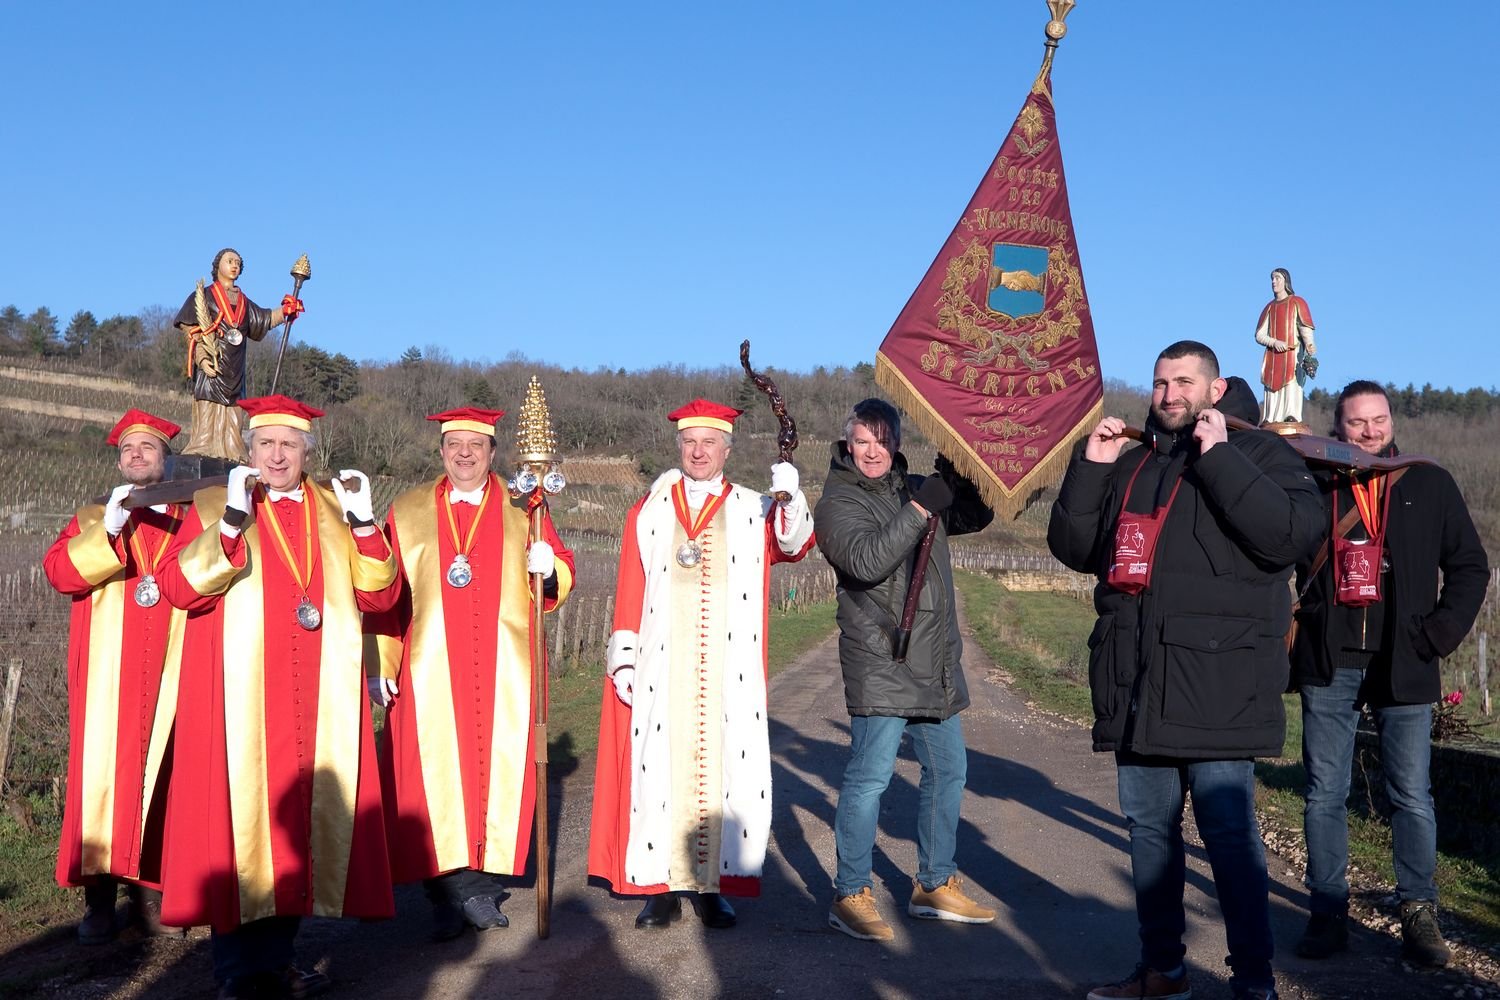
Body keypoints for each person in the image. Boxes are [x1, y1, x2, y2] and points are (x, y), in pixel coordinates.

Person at [1047, 341, 1323, 1000]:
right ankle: (1162, 971)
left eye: (1183, 382)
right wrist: (1091, 467)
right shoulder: (1134, 461)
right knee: (1149, 835)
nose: (1168, 394)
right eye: (1159, 382)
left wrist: (1219, 456)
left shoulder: (1261, 453)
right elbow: (1077, 548)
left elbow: (1289, 537)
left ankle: (1254, 982)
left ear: (1216, 388)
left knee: (1228, 839)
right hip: (1136, 680)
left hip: (1218, 687)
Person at [153, 395, 399, 1000]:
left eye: (289, 444)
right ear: (249, 449)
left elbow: (381, 598)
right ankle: (237, 972)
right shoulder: (215, 504)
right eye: (266, 444)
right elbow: (178, 589)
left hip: (316, 698)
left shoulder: (334, 510)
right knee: (237, 834)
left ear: (307, 450)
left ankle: (279, 962)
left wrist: (366, 526)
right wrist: (232, 525)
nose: (277, 455)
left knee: (297, 840)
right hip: (240, 700)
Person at [588, 399, 815, 930]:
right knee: (658, 770)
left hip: (728, 666)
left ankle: (712, 886)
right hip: (661, 666)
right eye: (690, 442)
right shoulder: (648, 510)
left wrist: (791, 493)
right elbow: (630, 584)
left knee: (725, 773)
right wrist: (623, 659)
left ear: (727, 449)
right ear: (679, 448)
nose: (698, 451)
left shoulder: (752, 506)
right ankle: (662, 888)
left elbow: (794, 543)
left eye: (709, 442)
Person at [1290, 381, 1487, 968]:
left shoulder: (1428, 481)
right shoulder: (1316, 482)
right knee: (1324, 792)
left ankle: (1418, 912)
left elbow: (1470, 567)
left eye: (1378, 420)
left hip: (1406, 663)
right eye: (1357, 423)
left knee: (1412, 795)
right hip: (1332, 661)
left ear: (1392, 421)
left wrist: (1436, 635)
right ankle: (1327, 912)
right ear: (1337, 426)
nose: (1370, 432)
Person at [364, 407, 575, 940]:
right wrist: (378, 663)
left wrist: (552, 570)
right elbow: (383, 594)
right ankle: (454, 890)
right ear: (440, 450)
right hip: (428, 668)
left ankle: (467, 888)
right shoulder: (406, 510)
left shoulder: (524, 508)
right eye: (454, 444)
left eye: (475, 446)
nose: (464, 453)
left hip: (504, 666)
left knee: (490, 775)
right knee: (429, 779)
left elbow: (557, 576)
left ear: (493, 452)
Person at [814, 398, 997, 942]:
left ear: (897, 442)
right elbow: (867, 561)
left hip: (934, 662)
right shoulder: (836, 502)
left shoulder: (913, 486)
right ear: (849, 444)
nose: (873, 451)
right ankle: (849, 893)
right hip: (881, 660)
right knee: (869, 779)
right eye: (863, 441)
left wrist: (961, 473)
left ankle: (934, 884)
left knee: (949, 772)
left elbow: (975, 515)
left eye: (883, 439)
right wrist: (920, 509)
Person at [42, 409, 189, 944]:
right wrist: (107, 531)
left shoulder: (188, 516)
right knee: (100, 786)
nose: (137, 456)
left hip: (174, 675)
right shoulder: (90, 517)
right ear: (119, 460)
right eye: (129, 450)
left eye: (148, 448)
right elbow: (59, 573)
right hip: (109, 680)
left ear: (165, 458)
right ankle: (99, 902)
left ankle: (151, 898)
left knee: (166, 779)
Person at [173, 248, 305, 462]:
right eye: (230, 261)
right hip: (212, 360)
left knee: (234, 413)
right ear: (218, 266)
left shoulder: (243, 300)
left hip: (235, 365)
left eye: (238, 262)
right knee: (208, 407)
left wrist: (285, 312)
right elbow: (189, 327)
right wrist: (203, 356)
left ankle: (232, 450)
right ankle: (203, 445)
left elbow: (263, 319)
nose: (234, 265)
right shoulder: (204, 295)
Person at [1253, 267, 1317, 425]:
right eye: (1272, 279)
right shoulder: (1269, 307)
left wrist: (1309, 343)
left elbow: (1304, 326)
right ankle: (1271, 417)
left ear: (1285, 281)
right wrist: (1274, 342)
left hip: (1292, 353)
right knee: (1271, 385)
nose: (1274, 282)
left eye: (1277, 278)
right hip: (1273, 356)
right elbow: (1259, 335)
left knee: (1291, 383)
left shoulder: (1297, 302)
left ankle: (1291, 414)